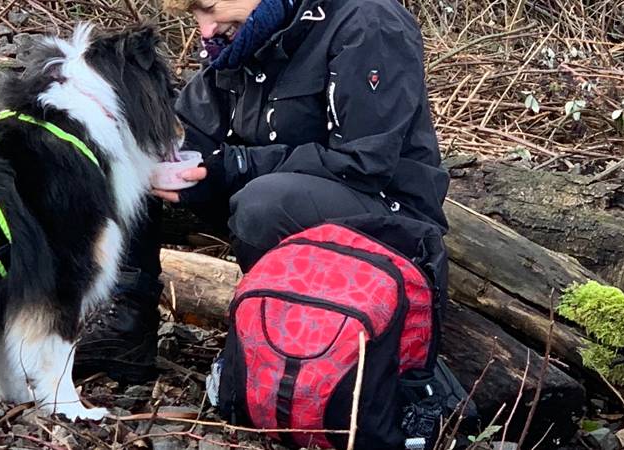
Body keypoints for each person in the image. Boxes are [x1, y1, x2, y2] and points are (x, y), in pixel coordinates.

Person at [73, 0, 450, 384]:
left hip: (388, 214)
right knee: (134, 157)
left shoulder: (369, 22)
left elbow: (364, 162)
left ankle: (284, 349)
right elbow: (191, 127)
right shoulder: (246, 37)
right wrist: (165, 160)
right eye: (195, 17)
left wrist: (238, 165)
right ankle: (125, 328)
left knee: (263, 205)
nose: (205, 30)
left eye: (209, 8)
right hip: (282, 189)